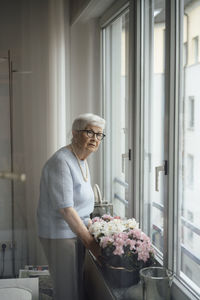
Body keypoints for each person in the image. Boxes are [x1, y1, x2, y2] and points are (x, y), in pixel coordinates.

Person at [37, 113, 106, 300]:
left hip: (75, 232)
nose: (95, 138)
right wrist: (92, 244)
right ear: (75, 134)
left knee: (75, 287)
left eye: (99, 134)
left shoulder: (82, 159)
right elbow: (67, 210)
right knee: (67, 290)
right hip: (60, 235)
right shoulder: (61, 161)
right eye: (89, 132)